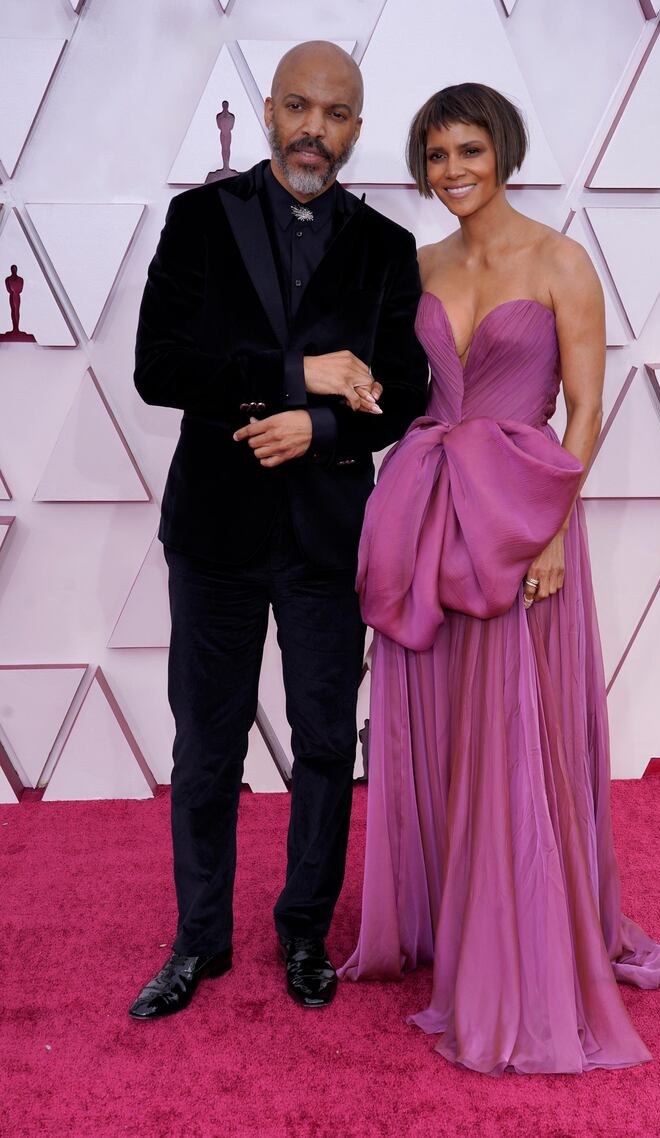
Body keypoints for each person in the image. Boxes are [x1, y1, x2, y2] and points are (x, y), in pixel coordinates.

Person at [340, 83, 660, 1074]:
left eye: (468, 151)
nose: (451, 171)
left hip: (518, 525)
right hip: (428, 513)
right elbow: (403, 385)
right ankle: (454, 911)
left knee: (510, 732)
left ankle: (519, 931)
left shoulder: (561, 259)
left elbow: (583, 408)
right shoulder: (418, 265)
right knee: (441, 719)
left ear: (503, 151)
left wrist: (550, 531)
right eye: (435, 155)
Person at [129, 42, 428, 1020]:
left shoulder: (385, 247)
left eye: (334, 113)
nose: (313, 129)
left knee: (319, 743)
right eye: (297, 107)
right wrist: (296, 379)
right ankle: (198, 939)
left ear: (354, 126)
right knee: (208, 742)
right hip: (213, 529)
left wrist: (321, 424)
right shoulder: (198, 219)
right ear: (266, 111)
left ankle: (303, 928)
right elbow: (162, 367)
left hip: (324, 533)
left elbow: (406, 389)